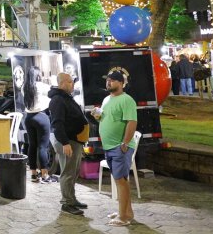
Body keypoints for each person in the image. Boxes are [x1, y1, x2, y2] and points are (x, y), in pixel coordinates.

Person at [94, 71, 138, 227]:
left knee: (121, 181)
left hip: (120, 147)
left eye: (112, 81)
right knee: (120, 180)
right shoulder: (107, 99)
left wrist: (125, 142)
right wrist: (98, 116)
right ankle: (127, 212)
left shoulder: (127, 100)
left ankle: (123, 217)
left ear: (121, 83)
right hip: (109, 146)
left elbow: (131, 122)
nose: (108, 83)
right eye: (107, 80)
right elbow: (109, 118)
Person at [48, 72, 88, 216]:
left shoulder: (65, 98)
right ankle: (67, 203)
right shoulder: (58, 100)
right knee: (68, 173)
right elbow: (57, 123)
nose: (72, 84)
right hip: (68, 141)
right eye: (70, 82)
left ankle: (72, 199)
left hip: (74, 140)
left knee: (73, 171)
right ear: (62, 83)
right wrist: (65, 142)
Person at [23, 66, 54, 183]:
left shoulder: (24, 88)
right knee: (43, 147)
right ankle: (45, 174)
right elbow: (52, 90)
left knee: (32, 145)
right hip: (41, 116)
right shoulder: (41, 86)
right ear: (37, 75)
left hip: (29, 117)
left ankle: (34, 174)